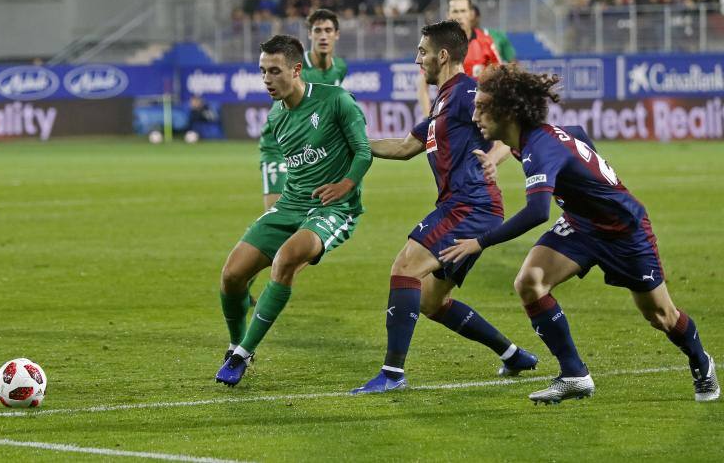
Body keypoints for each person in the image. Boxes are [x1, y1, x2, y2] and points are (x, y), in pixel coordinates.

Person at [439, 64, 720, 404]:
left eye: (482, 108)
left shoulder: (539, 148)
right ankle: (574, 374)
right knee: (530, 281)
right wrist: (593, 178)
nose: (475, 114)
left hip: (624, 232)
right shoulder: (529, 139)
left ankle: (701, 360)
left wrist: (479, 242)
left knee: (661, 316)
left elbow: (537, 212)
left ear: (508, 112)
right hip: (582, 225)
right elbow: (578, 134)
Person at [351, 21, 537, 394]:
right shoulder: (443, 101)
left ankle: (392, 374)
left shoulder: (468, 92)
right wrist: (355, 142)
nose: (417, 59)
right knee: (432, 302)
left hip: (470, 205)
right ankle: (512, 354)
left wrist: (495, 157)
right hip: (467, 206)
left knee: (404, 268)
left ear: (442, 55)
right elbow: (404, 148)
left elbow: (517, 126)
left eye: (422, 52)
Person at [216, 34, 371, 386]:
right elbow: (293, 168)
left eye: (274, 71)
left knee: (285, 259)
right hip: (291, 205)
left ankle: (242, 355)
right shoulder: (276, 118)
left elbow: (363, 151)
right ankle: (235, 343)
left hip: (334, 207)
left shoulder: (336, 100)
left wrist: (345, 185)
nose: (267, 80)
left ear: (296, 69)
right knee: (231, 275)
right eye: (262, 72)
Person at [259, 8, 347, 211]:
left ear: (337, 34)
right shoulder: (297, 67)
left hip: (310, 150)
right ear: (310, 34)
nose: (323, 36)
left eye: (328, 30)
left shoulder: (340, 68)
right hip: (279, 146)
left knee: (310, 218)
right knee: (275, 219)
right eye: (317, 30)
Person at [417, 0, 500, 117]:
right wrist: (427, 116)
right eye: (455, 11)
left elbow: (499, 76)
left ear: (471, 14)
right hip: (449, 112)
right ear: (448, 15)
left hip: (479, 112)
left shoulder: (486, 41)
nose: (459, 16)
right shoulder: (437, 43)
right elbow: (422, 83)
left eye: (463, 11)